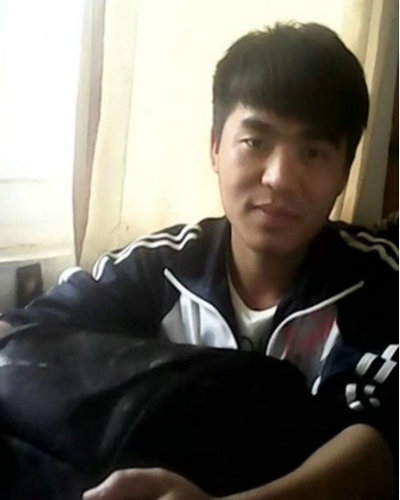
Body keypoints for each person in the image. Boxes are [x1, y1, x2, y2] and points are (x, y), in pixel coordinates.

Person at [0, 22, 398, 500]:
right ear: (215, 148)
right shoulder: (160, 264)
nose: (279, 178)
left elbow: (383, 445)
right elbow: (23, 338)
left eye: (312, 153)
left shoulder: (378, 277)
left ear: (344, 172)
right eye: (255, 142)